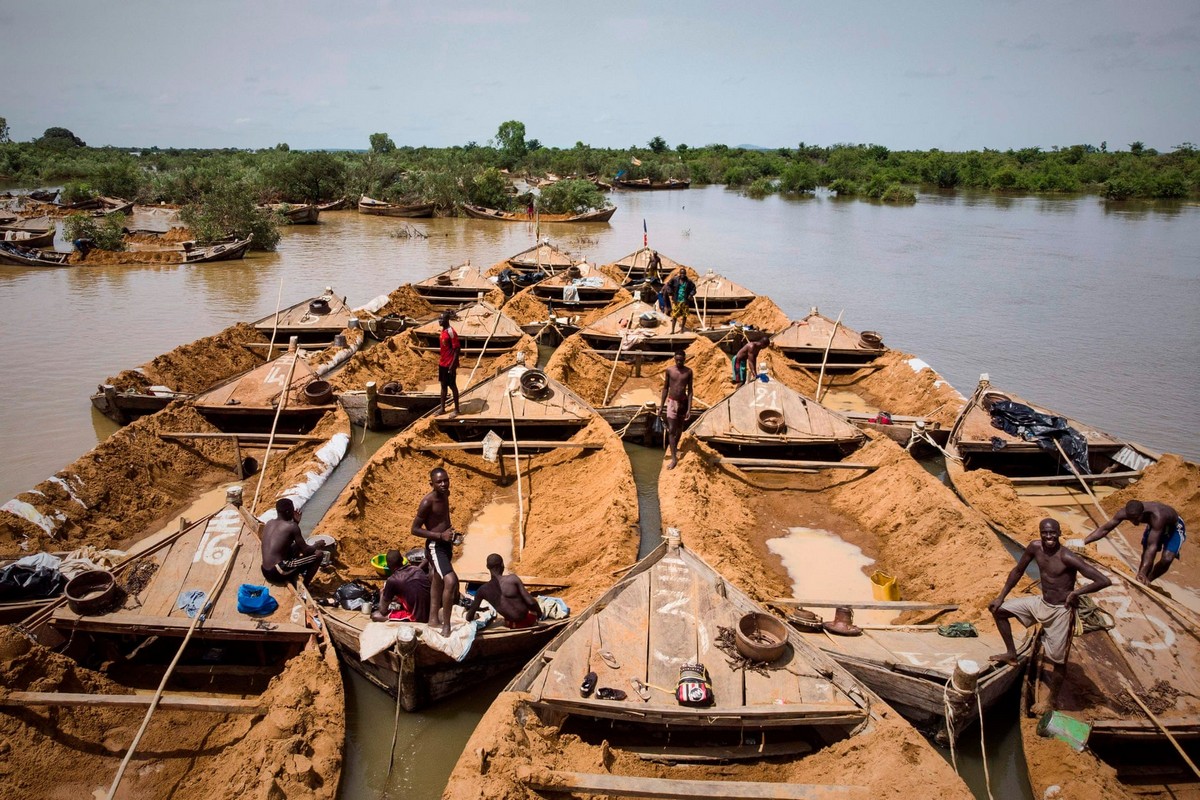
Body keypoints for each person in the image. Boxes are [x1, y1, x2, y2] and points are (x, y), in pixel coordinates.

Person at [989, 518, 1111, 714]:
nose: (1049, 537)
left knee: (1058, 659)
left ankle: (1050, 701)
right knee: (998, 610)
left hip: (1060, 611)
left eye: (1052, 533)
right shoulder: (1034, 547)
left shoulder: (1068, 557)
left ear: (1059, 533)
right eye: (1045, 533)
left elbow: (1103, 580)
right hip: (1041, 603)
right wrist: (1001, 596)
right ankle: (1011, 653)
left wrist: (1076, 593)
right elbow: (1018, 570)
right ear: (1040, 533)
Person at [1084, 499, 1185, 585]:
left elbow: (1152, 547)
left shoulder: (1157, 516)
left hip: (1174, 527)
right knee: (1145, 552)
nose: (1134, 522)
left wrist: (1143, 572)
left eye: (1136, 519)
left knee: (1167, 558)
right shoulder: (1123, 513)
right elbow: (1104, 529)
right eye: (1131, 519)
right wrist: (1082, 542)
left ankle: (1148, 579)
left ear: (1143, 513)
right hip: (1154, 527)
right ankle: (1141, 578)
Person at [412, 467, 461, 636]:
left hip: (445, 544)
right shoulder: (428, 502)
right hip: (435, 545)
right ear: (431, 483)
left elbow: (443, 519)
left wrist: (450, 533)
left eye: (446, 480)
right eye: (439, 481)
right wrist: (440, 535)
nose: (443, 484)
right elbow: (415, 529)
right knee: (451, 580)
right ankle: (446, 626)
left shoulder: (446, 495)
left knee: (438, 579)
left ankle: (433, 618)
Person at [260, 497, 327, 586]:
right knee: (319, 555)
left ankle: (296, 569)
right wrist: (317, 545)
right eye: (292, 510)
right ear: (288, 512)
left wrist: (295, 522)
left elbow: (285, 541)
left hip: (265, 570)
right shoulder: (292, 526)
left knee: (296, 546)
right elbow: (306, 550)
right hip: (278, 572)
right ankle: (306, 585)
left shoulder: (269, 523)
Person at [465, 553, 541, 628]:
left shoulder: (482, 590)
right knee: (532, 604)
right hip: (528, 620)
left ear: (487, 567)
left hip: (511, 624)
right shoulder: (512, 579)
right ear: (502, 565)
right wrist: (540, 613)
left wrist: (471, 616)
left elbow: (469, 616)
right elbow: (531, 602)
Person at [371, 549, 431, 623]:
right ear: (402, 560)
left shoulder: (392, 580)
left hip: (417, 618)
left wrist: (381, 593)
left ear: (388, 565)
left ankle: (408, 619)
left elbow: (383, 610)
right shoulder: (417, 570)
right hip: (430, 613)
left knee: (375, 615)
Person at [659, 350, 694, 470]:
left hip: (683, 404)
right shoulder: (669, 370)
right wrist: (661, 406)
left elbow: (690, 391)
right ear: (674, 358)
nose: (679, 362)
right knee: (672, 430)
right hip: (672, 402)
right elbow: (665, 389)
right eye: (677, 360)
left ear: (685, 359)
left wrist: (689, 408)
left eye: (681, 360)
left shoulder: (688, 372)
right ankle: (674, 458)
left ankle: (675, 446)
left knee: (679, 429)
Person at [437, 311, 462, 415]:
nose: (439, 321)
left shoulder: (451, 332)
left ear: (446, 320)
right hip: (442, 363)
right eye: (439, 319)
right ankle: (442, 408)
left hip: (450, 364)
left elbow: (457, 349)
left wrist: (452, 365)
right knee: (443, 386)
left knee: (452, 385)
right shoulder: (442, 331)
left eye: (441, 319)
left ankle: (456, 409)